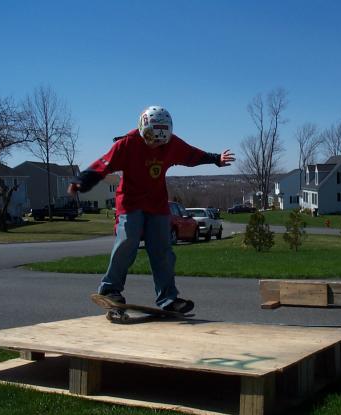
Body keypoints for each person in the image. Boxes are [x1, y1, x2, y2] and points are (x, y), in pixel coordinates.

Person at [68, 106, 235, 314]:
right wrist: (80, 181)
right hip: (130, 203)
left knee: (162, 250)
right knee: (128, 241)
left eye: (160, 140)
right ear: (141, 129)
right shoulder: (127, 144)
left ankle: (168, 299)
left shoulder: (172, 144)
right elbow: (103, 165)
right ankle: (110, 290)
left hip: (156, 204)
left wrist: (216, 159)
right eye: (150, 138)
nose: (155, 144)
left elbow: (192, 155)